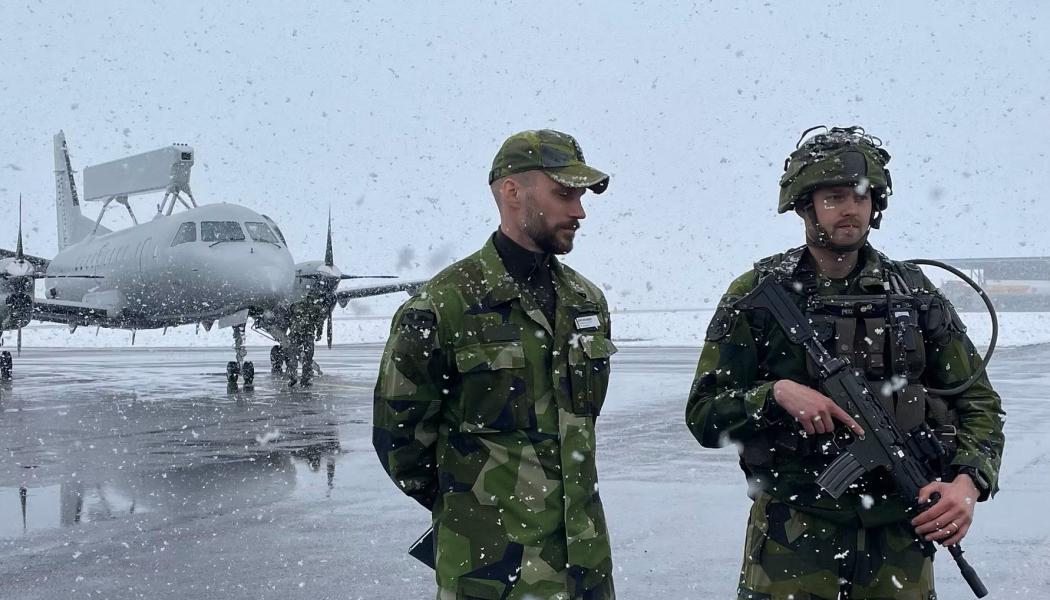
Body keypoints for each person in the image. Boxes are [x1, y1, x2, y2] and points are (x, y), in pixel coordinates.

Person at [685, 126, 1005, 599]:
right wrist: (773, 395)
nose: (850, 209)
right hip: (793, 535)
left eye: (861, 196)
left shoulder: (913, 295)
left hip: (901, 533)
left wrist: (968, 483)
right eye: (833, 197)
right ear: (804, 205)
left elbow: (979, 404)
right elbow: (704, 413)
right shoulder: (759, 296)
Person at [374, 129, 618, 599]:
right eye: (564, 194)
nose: (579, 212)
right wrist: (476, 506)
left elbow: (579, 425)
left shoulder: (586, 301)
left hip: (585, 569)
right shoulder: (442, 306)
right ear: (512, 192)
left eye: (582, 197)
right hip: (491, 575)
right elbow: (400, 441)